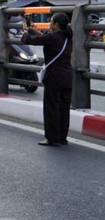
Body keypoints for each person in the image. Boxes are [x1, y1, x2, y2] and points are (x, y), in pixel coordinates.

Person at [22, 12, 73, 146]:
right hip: (67, 77)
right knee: (64, 108)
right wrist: (36, 31)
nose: (50, 24)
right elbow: (48, 39)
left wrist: (25, 31)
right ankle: (62, 137)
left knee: (52, 108)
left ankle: (52, 138)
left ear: (56, 25)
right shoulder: (68, 38)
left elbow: (28, 40)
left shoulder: (52, 38)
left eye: (51, 22)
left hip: (54, 77)